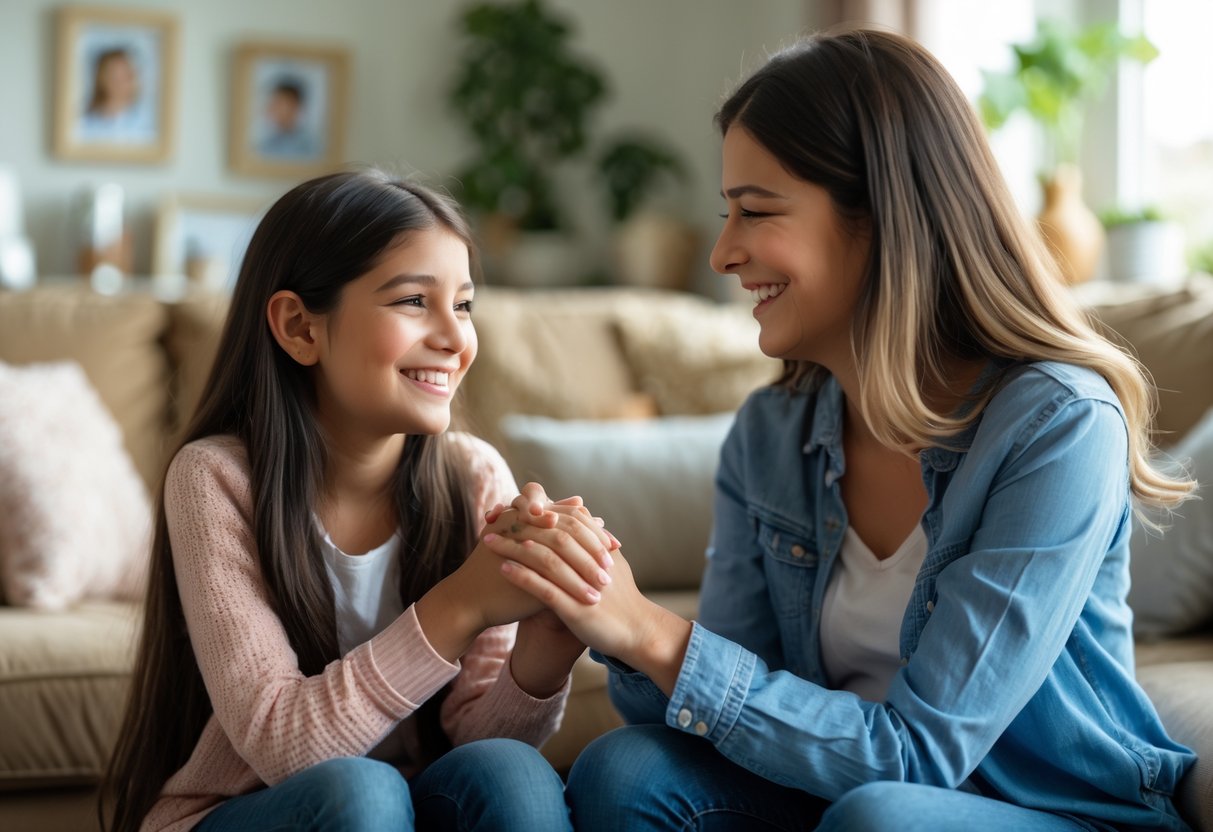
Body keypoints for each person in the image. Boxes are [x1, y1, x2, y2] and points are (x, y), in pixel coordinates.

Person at [483, 28, 1199, 831]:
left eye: (754, 211)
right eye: (727, 213)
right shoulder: (773, 431)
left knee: (882, 818)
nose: (722, 252)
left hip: (1049, 810)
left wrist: (652, 632)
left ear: (883, 217)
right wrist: (593, 603)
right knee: (628, 771)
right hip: (843, 794)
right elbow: (704, 715)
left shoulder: (1058, 427)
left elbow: (921, 758)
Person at [101, 169, 617, 832]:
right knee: (360, 794)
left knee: (510, 774)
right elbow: (284, 746)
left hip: (411, 803)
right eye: (412, 302)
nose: (456, 339)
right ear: (299, 328)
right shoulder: (215, 480)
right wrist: (463, 602)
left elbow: (478, 744)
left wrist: (546, 645)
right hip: (248, 811)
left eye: (462, 305)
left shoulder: (474, 475)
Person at [78, 46, 154, 144]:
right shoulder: (84, 123)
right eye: (114, 75)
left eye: (126, 75)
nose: (120, 83)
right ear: (100, 78)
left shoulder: (148, 123)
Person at [257, 77, 321, 160]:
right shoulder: (267, 144)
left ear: (295, 106)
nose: (272, 108)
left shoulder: (310, 145)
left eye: (279, 103)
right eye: (273, 102)